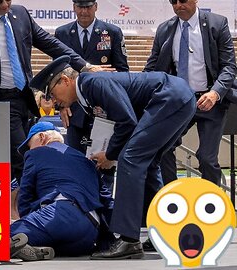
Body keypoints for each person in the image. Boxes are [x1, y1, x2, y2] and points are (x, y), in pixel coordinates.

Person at [30, 55, 196, 259]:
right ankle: (164, 231)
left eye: (52, 94)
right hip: (176, 97)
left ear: (65, 80)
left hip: (169, 97)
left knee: (130, 159)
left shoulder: (93, 83)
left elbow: (126, 121)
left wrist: (110, 155)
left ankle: (129, 240)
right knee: (148, 164)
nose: (54, 101)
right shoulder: (86, 95)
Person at [0, 0, 102, 194]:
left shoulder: (20, 14)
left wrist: (84, 66)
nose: (5, 5)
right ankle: (35, 206)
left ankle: (20, 205)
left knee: (20, 158)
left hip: (24, 99)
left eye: (8, 0)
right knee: (26, 158)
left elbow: (51, 44)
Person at [143, 0, 236, 187]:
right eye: (173, 1)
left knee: (207, 158)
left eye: (183, 0)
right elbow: (152, 68)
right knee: (164, 148)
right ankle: (172, 197)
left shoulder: (217, 24)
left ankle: (210, 202)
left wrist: (215, 93)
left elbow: (229, 66)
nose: (178, 5)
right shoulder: (164, 29)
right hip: (179, 101)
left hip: (210, 100)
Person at [10, 121, 113, 260]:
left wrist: (26, 222)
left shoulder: (36, 154)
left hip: (61, 215)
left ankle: (7, 245)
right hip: (90, 230)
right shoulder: (86, 160)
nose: (29, 151)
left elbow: (25, 196)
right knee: (51, 238)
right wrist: (109, 240)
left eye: (30, 146)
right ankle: (37, 248)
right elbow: (107, 201)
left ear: (42, 137)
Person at [55, 0, 128, 153]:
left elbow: (122, 71)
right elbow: (57, 75)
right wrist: (61, 106)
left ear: (96, 6)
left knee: (103, 162)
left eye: (88, 7)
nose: (84, 12)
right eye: (80, 7)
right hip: (74, 111)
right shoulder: (62, 33)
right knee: (76, 161)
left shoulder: (112, 32)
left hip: (104, 108)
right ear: (74, 7)